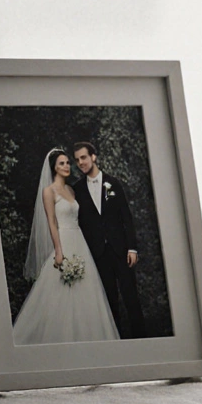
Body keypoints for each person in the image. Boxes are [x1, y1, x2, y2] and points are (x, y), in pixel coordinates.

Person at [11, 149, 119, 345]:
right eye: (62, 163)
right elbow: (52, 222)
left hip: (79, 241)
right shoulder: (48, 191)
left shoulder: (71, 190)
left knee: (86, 290)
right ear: (54, 167)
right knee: (60, 290)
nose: (67, 166)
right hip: (64, 240)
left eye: (68, 163)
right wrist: (58, 250)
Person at [73, 141, 147, 338]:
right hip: (98, 254)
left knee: (131, 298)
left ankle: (142, 342)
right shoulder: (77, 190)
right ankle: (116, 343)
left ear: (93, 157)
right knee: (108, 301)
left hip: (121, 251)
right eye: (77, 160)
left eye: (84, 157)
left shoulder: (113, 183)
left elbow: (126, 217)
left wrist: (132, 248)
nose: (81, 162)